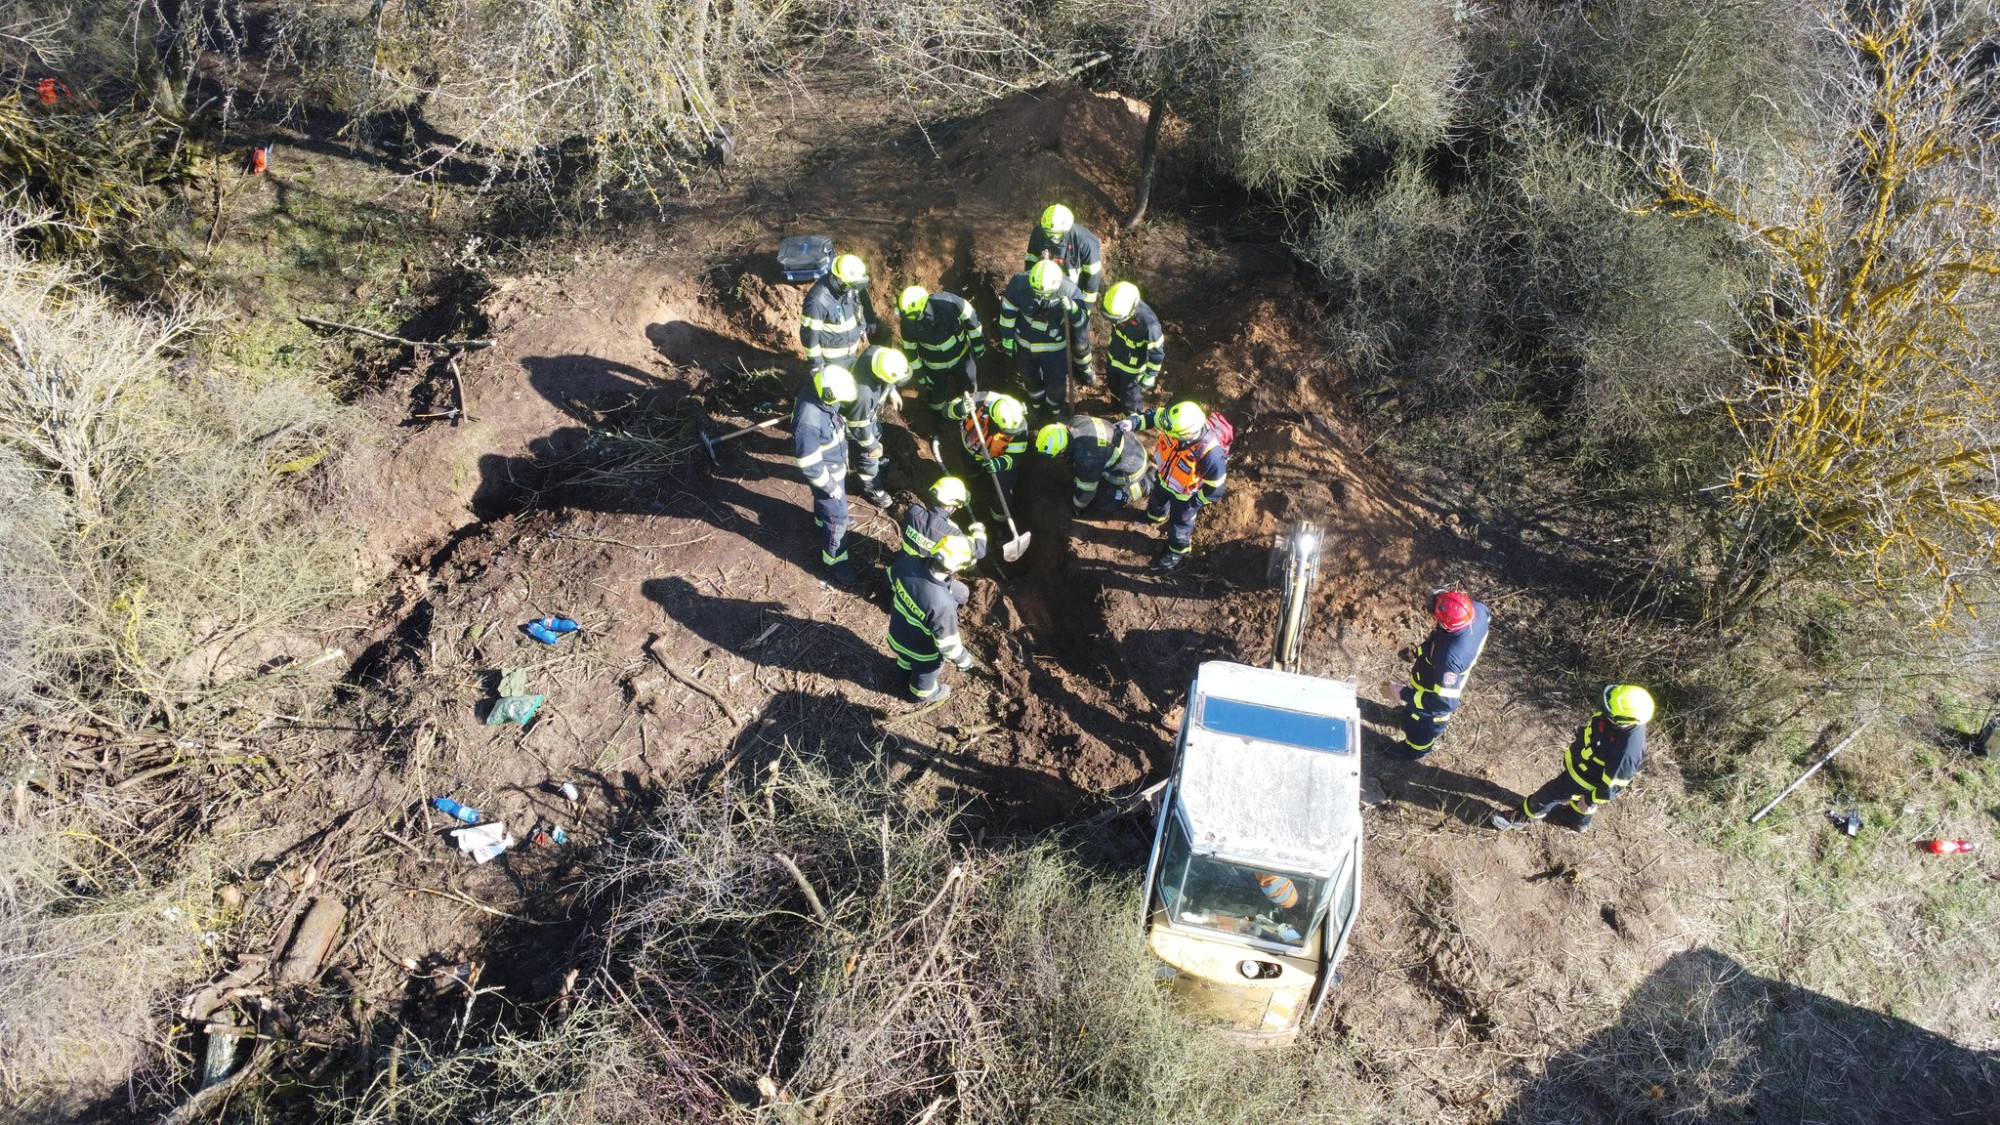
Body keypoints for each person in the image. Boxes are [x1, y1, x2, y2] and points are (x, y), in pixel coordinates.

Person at [1493, 685, 1654, 833]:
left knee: (1550, 794)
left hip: (1584, 779)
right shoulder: (1618, 716)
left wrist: (1591, 799)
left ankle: (1521, 817)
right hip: (1583, 767)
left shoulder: (1627, 750)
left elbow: (1614, 784)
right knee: (1581, 802)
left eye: (1608, 712)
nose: (1604, 712)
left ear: (1625, 720)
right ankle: (1577, 820)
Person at [1118, 401, 1228, 571]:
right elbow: (1154, 416)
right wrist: (1132, 422)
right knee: (1156, 500)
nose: (1167, 433)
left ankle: (1178, 549)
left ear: (1187, 434)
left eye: (1173, 434)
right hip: (1163, 478)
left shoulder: (1212, 455)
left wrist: (1195, 502)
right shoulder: (1173, 422)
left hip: (1185, 497)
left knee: (1180, 525)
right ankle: (1155, 516)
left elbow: (1215, 489)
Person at [1387, 591, 1492, 759]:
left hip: (1432, 696)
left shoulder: (1448, 659)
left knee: (1419, 721)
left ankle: (1415, 750)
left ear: (1448, 626)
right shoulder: (1478, 610)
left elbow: (1444, 703)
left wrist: (1404, 694)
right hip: (1447, 667)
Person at [886, 534, 977, 702]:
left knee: (905, 657)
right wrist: (964, 660)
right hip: (923, 654)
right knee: (926, 672)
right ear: (953, 569)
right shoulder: (943, 605)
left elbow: (891, 578)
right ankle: (922, 693)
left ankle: (902, 673)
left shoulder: (908, 563)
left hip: (896, 635)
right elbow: (948, 645)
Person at [792, 365, 860, 585]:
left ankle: (822, 522)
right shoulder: (808, 420)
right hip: (825, 474)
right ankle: (835, 561)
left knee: (829, 509)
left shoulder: (822, 391)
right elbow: (809, 464)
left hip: (833, 466)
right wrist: (830, 486)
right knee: (838, 516)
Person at [998, 260, 1092, 416]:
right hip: (1025, 346)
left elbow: (1082, 324)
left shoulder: (1069, 291)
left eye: (1045, 295)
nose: (1040, 297)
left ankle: (1054, 410)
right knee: (1030, 379)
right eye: (1036, 293)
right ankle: (1036, 405)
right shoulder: (1019, 284)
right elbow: (1007, 312)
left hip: (1054, 350)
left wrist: (1073, 309)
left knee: (1056, 384)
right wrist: (1007, 337)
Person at [897, 286, 985, 415]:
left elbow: (971, 317)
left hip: (962, 358)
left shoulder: (948, 303)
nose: (908, 320)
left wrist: (978, 342)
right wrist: (920, 373)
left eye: (910, 315)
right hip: (934, 368)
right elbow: (909, 350)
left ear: (921, 306)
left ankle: (968, 412)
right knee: (937, 395)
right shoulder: (908, 325)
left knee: (969, 387)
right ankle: (939, 416)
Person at [1034, 415, 1147, 514]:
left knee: (1102, 503)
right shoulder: (1076, 421)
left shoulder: (1087, 458)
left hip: (1131, 467)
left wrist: (1078, 508)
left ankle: (1146, 484)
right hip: (1132, 443)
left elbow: (1087, 491)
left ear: (1062, 450)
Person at [944, 392, 1029, 522]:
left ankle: (998, 522)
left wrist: (999, 464)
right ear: (995, 421)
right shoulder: (976, 402)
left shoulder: (1018, 426)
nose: (1010, 434)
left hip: (1000, 462)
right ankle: (973, 483)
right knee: (970, 473)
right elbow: (946, 410)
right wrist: (958, 409)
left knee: (1000, 494)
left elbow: (1015, 457)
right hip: (970, 451)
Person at [846, 345, 913, 508]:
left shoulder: (878, 354)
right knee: (867, 457)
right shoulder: (862, 395)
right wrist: (871, 446)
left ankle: (873, 460)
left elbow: (888, 374)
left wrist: (892, 391)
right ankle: (872, 489)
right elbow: (857, 426)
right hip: (856, 425)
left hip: (869, 417)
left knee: (878, 432)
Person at [799, 254, 879, 373]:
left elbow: (861, 295)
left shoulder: (850, 284)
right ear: (839, 281)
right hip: (834, 362)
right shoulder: (818, 301)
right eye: (851, 287)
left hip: (853, 350)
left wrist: (869, 320)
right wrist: (818, 365)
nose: (854, 290)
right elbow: (809, 336)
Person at [1102, 281, 1164, 414]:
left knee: (1130, 397)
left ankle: (1131, 422)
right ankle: (1116, 407)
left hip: (1132, 367)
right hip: (1114, 356)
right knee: (1114, 386)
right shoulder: (1116, 307)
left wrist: (1150, 374)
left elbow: (1156, 352)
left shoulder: (1149, 324)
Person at [1025, 203, 1104, 300]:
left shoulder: (1086, 242)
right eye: (1049, 233)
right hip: (1045, 289)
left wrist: (1084, 308)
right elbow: (1030, 263)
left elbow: (1092, 281)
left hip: (1072, 292)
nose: (1053, 238)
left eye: (1057, 234)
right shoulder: (1038, 233)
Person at [901, 476, 989, 561]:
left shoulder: (912, 511)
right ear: (951, 506)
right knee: (971, 561)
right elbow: (980, 551)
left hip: (902, 563)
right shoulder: (952, 534)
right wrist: (979, 532)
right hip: (926, 574)